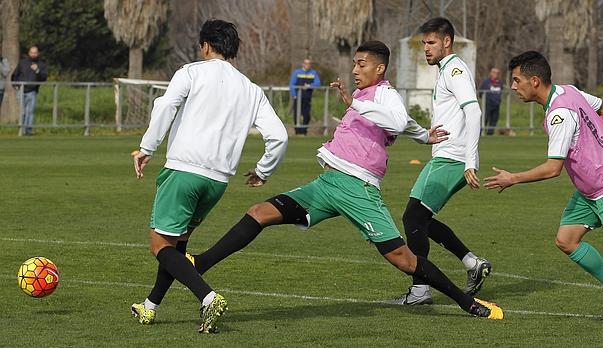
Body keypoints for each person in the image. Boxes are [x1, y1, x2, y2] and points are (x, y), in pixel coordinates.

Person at [185, 40, 504, 326]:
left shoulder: (384, 93)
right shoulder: (366, 95)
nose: (354, 69)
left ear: (379, 68)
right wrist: (423, 135)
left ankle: (467, 302)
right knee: (260, 212)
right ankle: (200, 263)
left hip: (358, 188)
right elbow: (402, 124)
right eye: (353, 63)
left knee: (403, 259)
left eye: (361, 64)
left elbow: (395, 118)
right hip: (327, 184)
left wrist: (355, 103)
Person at [130, 19, 289, 333]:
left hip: (184, 171)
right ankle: (150, 307)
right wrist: (262, 170)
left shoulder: (191, 72)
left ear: (205, 45)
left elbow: (166, 105)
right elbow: (280, 136)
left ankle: (208, 296)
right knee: (177, 246)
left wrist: (147, 147)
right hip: (217, 181)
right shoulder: (251, 89)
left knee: (159, 245)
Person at [484, 51, 603, 322]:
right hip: (589, 189)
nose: (513, 87)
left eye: (516, 80)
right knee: (566, 240)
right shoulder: (569, 91)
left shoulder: (560, 114)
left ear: (534, 81)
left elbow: (552, 168)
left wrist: (513, 178)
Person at [389, 17, 492, 306]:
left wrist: (470, 160)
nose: (426, 48)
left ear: (447, 41)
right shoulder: (446, 69)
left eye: (431, 42)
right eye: (424, 43)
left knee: (413, 218)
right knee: (419, 219)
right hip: (446, 157)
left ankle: (420, 290)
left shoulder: (455, 70)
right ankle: (472, 263)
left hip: (454, 158)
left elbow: (474, 112)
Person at [11, 45, 47, 135]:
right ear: (29, 53)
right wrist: (16, 86)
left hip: (32, 91)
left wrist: (37, 70)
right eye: (32, 52)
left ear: (38, 53)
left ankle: (28, 131)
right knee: (22, 112)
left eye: (35, 53)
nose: (33, 54)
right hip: (21, 90)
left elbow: (44, 77)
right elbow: (15, 75)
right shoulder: (22, 63)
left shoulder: (41, 64)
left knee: (30, 112)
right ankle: (21, 130)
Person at [289, 58, 320, 135]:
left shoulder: (313, 73)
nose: (307, 65)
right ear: (303, 64)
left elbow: (317, 83)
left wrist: (310, 86)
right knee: (297, 114)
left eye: (309, 63)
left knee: (306, 115)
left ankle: (304, 131)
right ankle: (297, 131)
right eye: (306, 63)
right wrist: (294, 95)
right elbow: (292, 84)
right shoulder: (297, 72)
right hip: (298, 97)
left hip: (307, 98)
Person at [479, 67, 503, 135]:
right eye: (495, 73)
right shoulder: (486, 82)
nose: (496, 74)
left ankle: (490, 134)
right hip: (487, 104)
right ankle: (480, 133)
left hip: (496, 104)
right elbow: (480, 92)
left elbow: (501, 91)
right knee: (484, 119)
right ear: (491, 73)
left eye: (498, 73)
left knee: (494, 120)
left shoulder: (500, 82)